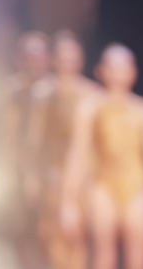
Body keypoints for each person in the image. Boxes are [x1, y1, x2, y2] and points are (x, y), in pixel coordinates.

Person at [61, 43, 143, 269]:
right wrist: (69, 203)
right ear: (101, 70)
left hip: (138, 187)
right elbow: (77, 154)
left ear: (133, 71)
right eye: (112, 67)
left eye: (124, 67)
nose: (118, 73)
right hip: (102, 185)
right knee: (104, 259)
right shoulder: (89, 107)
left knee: (139, 261)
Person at [24, 30, 101, 269]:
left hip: (85, 174)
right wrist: (31, 174)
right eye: (62, 57)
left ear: (81, 59)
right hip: (52, 172)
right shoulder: (43, 93)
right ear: (55, 59)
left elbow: (96, 142)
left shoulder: (92, 93)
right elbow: (34, 137)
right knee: (52, 233)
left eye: (73, 57)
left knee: (80, 232)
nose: (68, 63)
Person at [3, 31, 52, 269]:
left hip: (51, 163)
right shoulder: (12, 89)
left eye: (39, 53)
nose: (34, 60)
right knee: (18, 223)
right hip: (19, 162)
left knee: (47, 225)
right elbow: (8, 131)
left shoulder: (54, 88)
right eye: (29, 54)